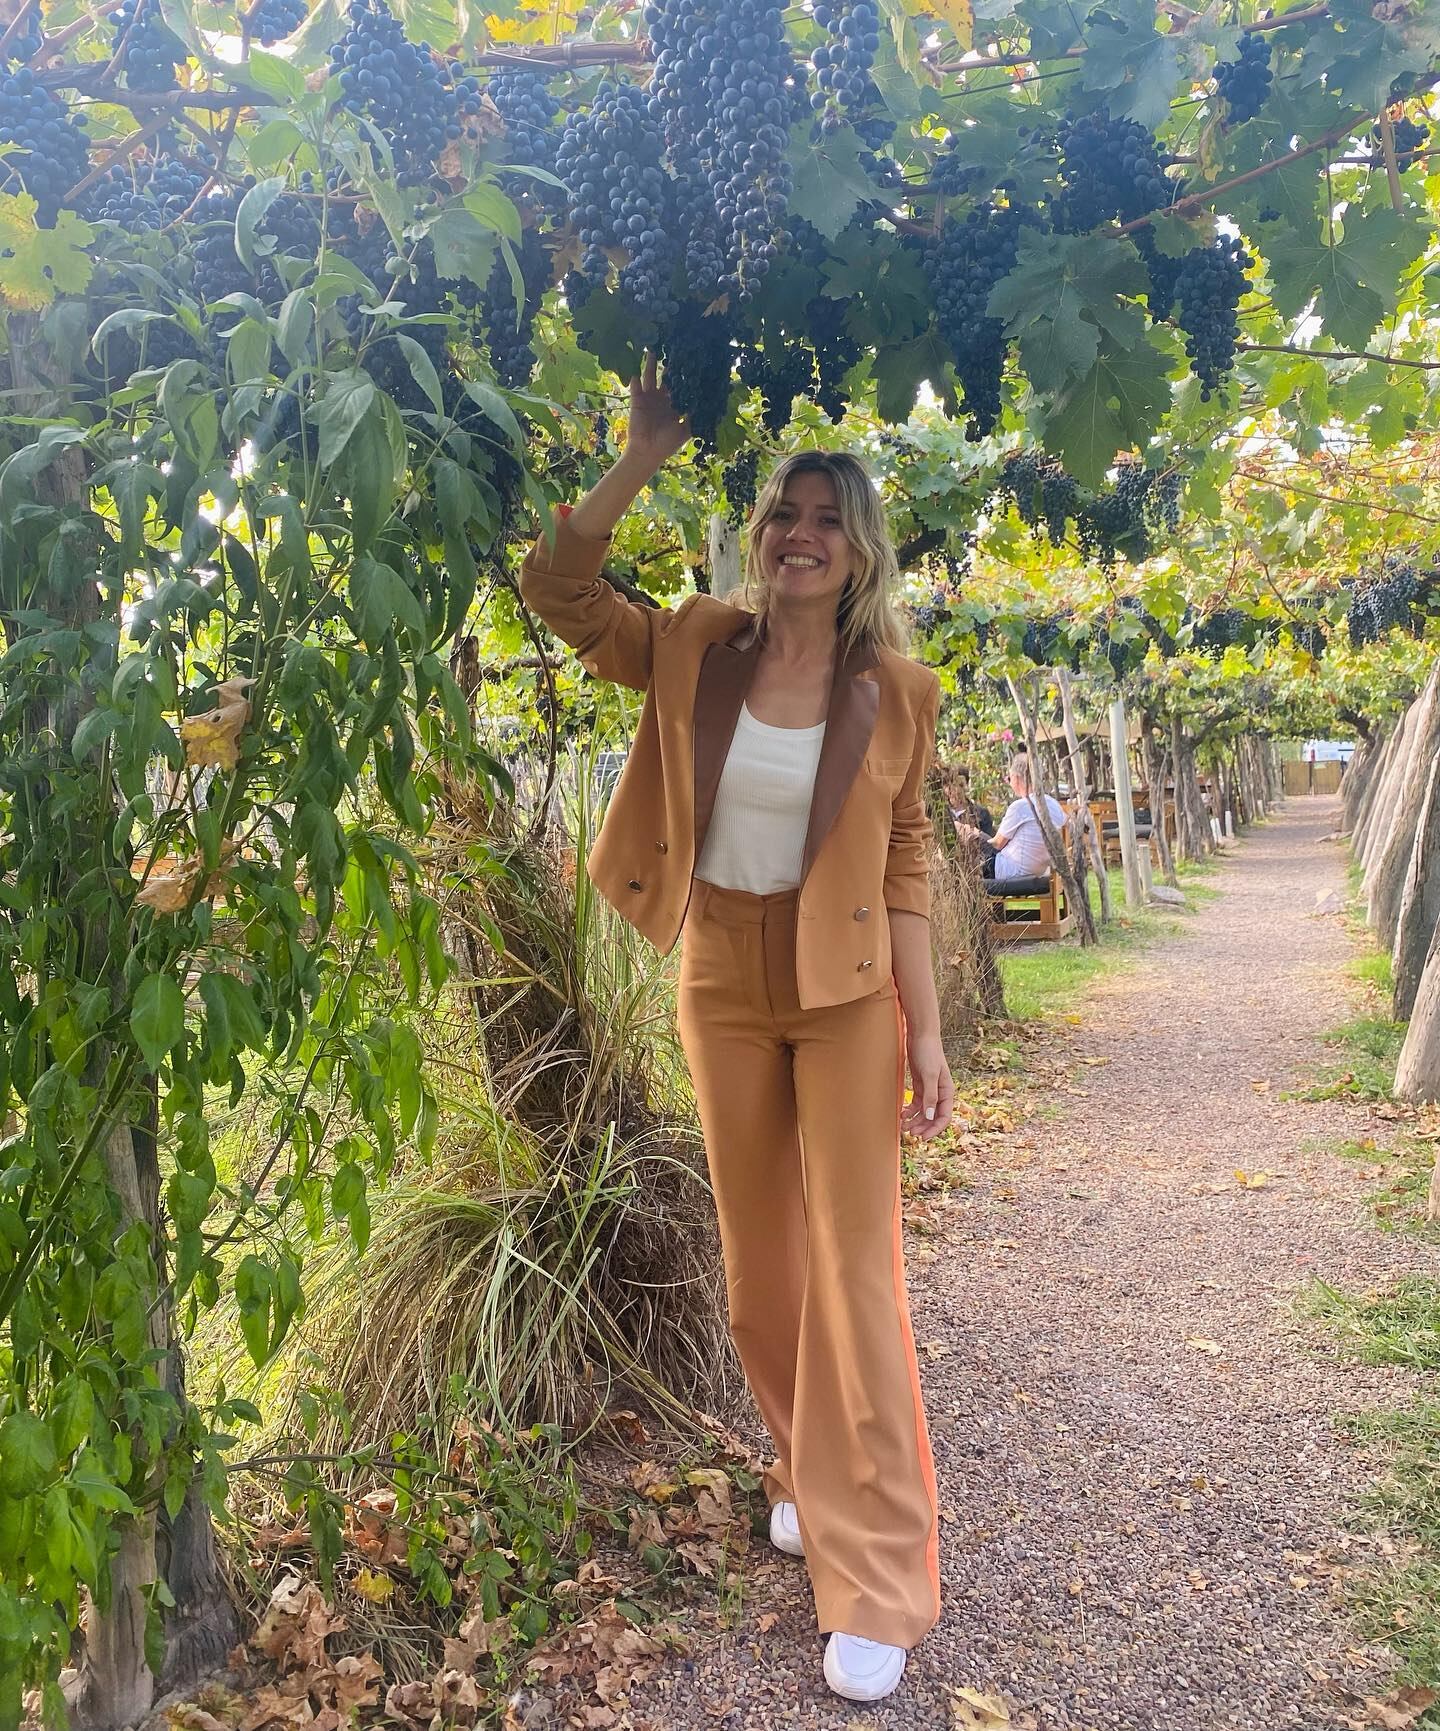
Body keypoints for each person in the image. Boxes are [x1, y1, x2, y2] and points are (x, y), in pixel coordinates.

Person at [519, 359, 953, 1705]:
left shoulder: (901, 689)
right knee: (764, 1279)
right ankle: (797, 1462)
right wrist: (638, 456)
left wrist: (924, 1031)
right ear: (759, 541)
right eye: (783, 512)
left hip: (841, 999)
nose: (801, 530)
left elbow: (905, 856)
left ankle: (877, 1564)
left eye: (827, 514)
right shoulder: (697, 643)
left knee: (857, 1274)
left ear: (859, 545)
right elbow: (559, 591)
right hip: (720, 975)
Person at [962, 752, 1065, 880]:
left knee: (963, 830)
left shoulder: (1020, 807)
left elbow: (997, 844)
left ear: (1016, 778)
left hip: (1010, 871)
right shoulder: (1054, 805)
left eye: (1009, 779)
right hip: (1043, 871)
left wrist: (976, 834)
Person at [947, 766, 994, 838]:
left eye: (959, 785)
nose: (955, 789)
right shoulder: (942, 813)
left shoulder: (981, 814)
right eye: (950, 784)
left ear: (965, 785)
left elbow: (988, 843)